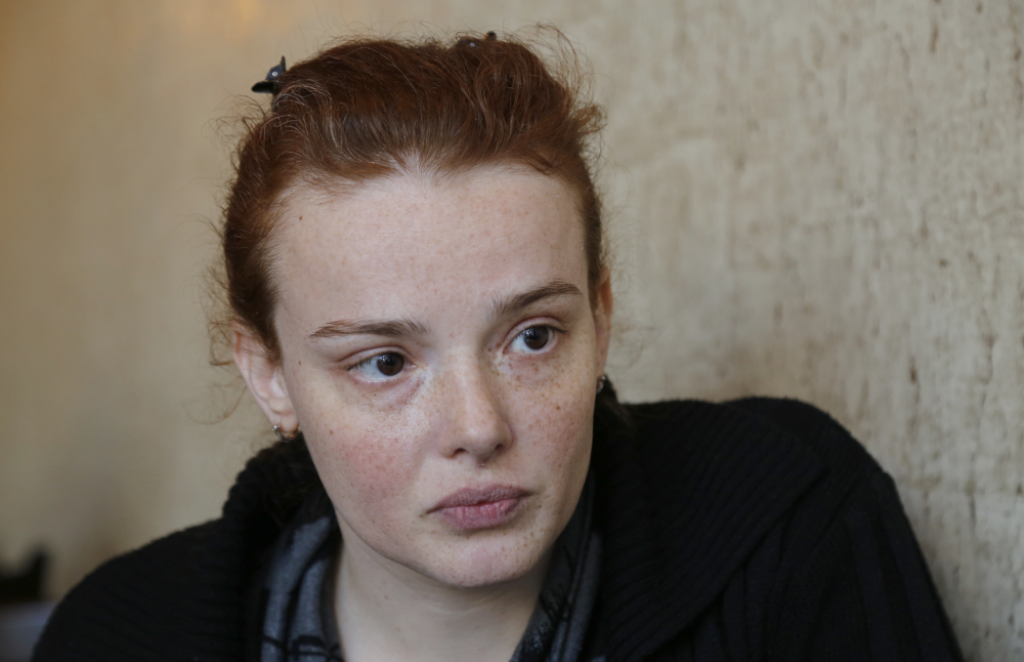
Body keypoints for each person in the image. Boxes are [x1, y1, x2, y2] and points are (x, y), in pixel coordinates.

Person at [34, 30, 965, 662]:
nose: (478, 428)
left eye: (532, 337)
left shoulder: (788, 521)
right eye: (386, 363)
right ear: (269, 374)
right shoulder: (117, 636)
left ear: (600, 318)